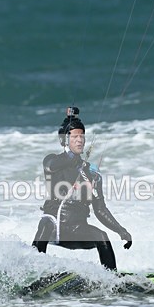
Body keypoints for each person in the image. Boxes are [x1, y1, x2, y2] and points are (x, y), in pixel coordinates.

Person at [32, 107, 132, 271]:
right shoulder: (52, 161)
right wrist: (72, 157)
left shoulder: (91, 173)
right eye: (74, 136)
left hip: (77, 229)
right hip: (55, 224)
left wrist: (120, 230)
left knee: (101, 237)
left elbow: (100, 209)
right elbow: (51, 166)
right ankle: (33, 268)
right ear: (65, 140)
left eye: (82, 136)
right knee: (45, 224)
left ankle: (111, 278)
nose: (79, 140)